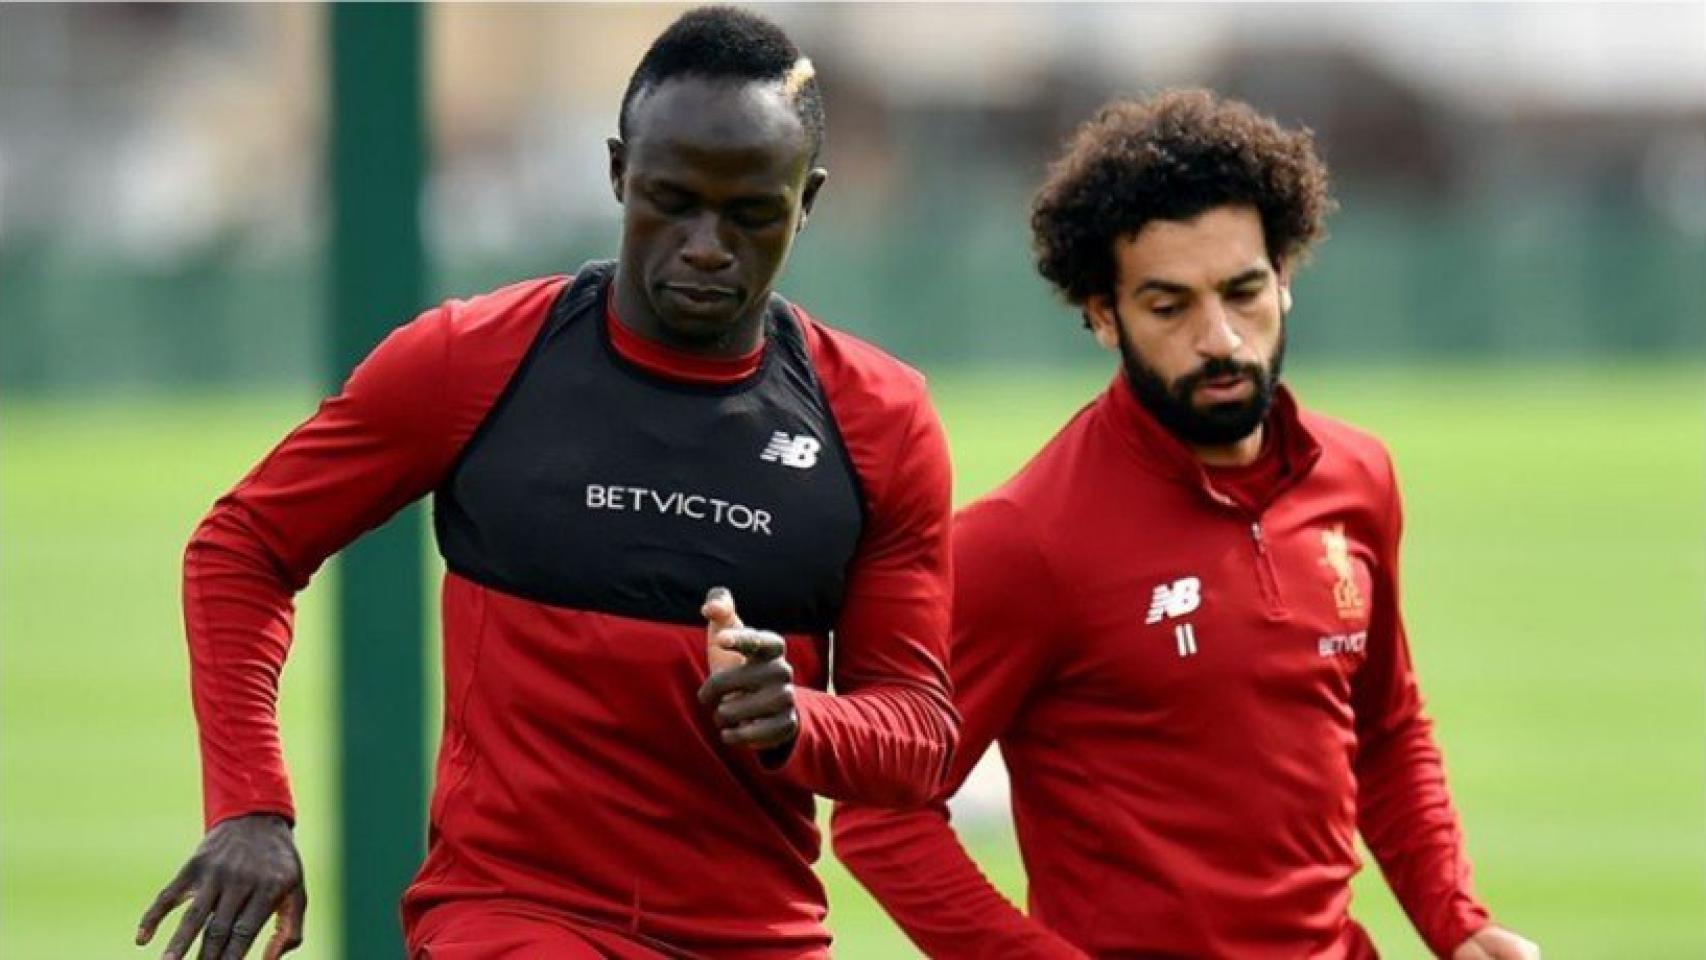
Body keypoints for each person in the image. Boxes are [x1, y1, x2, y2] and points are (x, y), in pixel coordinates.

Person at [135, 8, 959, 959]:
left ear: (806, 200)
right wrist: (250, 806)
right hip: (513, 920)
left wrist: (799, 721)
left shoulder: (879, 420)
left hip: (755, 936)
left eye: (750, 213)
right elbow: (244, 545)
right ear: (617, 174)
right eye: (671, 199)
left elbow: (922, 734)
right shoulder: (470, 361)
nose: (704, 243)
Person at [832, 89, 1539, 960]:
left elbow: (1386, 726)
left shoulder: (1359, 478)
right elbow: (881, 818)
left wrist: (1455, 919)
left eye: (1243, 292)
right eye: (1170, 307)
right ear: (1102, 314)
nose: (1221, 340)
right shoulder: (1027, 539)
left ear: (1285, 277)